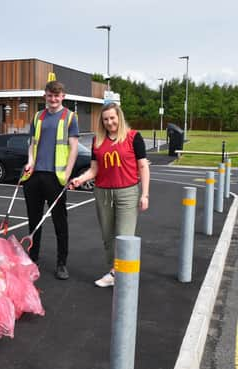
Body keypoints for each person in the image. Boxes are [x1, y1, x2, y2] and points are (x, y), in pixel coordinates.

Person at [70, 103, 150, 287]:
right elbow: (94, 169)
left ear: (119, 117)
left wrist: (145, 194)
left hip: (127, 192)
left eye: (112, 118)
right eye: (105, 119)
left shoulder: (133, 137)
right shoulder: (97, 140)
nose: (109, 122)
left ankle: (118, 275)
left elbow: (143, 167)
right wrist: (80, 179)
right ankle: (115, 270)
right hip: (103, 193)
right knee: (108, 236)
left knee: (124, 236)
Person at [21, 80, 79, 279]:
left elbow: (74, 148)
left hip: (56, 178)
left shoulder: (70, 117)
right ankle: (33, 259)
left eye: (57, 95)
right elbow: (32, 144)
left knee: (60, 223)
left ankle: (62, 263)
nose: (53, 99)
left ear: (63, 96)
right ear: (45, 96)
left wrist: (68, 174)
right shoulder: (38, 117)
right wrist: (30, 161)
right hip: (34, 176)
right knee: (34, 221)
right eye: (50, 95)